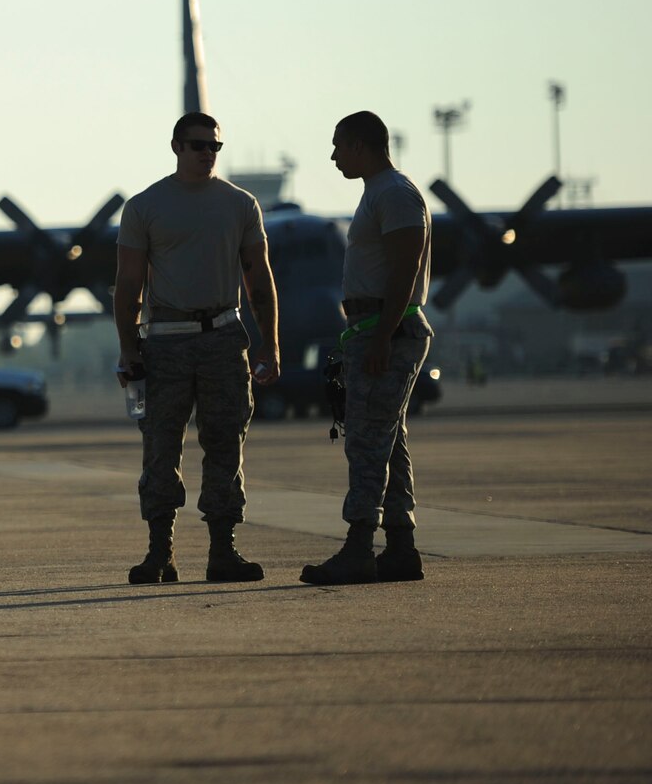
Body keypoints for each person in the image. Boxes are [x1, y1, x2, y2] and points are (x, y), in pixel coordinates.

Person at [114, 112, 280, 584]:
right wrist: (129, 349)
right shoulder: (144, 207)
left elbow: (259, 281)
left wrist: (271, 345)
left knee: (226, 442)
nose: (208, 152)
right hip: (165, 342)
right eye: (198, 144)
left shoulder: (241, 205)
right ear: (175, 147)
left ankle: (222, 550)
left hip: (223, 339)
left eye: (215, 146)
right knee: (160, 446)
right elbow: (127, 288)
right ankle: (159, 553)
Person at [301, 111, 433, 585]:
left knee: (365, 441)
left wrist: (382, 335)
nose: (334, 156)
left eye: (339, 145)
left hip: (386, 331)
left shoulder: (394, 194)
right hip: (373, 329)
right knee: (387, 440)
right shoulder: (378, 194)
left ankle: (359, 547)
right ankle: (400, 547)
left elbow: (404, 268)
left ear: (361, 145)